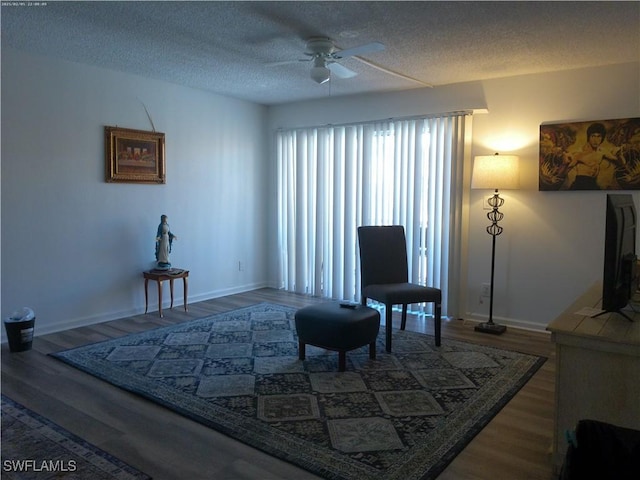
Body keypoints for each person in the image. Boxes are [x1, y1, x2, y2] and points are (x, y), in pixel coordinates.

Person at [564, 123, 626, 190]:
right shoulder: (580, 153)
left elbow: (620, 163)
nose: (595, 140)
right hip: (580, 183)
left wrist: (620, 155)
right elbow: (566, 169)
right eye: (593, 136)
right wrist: (565, 162)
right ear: (589, 137)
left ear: (602, 138)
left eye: (599, 136)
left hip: (592, 182)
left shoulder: (602, 152)